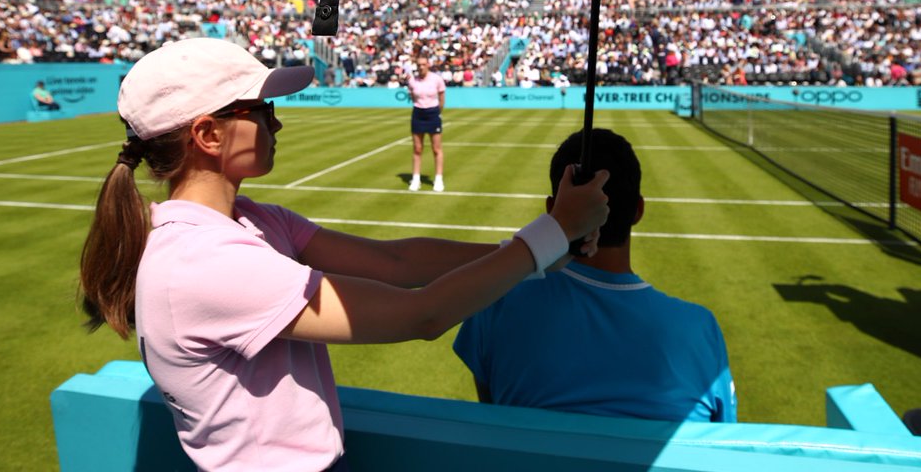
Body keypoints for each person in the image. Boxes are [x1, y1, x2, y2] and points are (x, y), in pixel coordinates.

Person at [78, 37, 609, 472]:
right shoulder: (205, 262)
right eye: (261, 110)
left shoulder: (255, 220)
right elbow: (419, 314)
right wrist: (550, 233)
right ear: (208, 134)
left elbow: (399, 263)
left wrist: (545, 253)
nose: (276, 123)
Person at [453, 128, 736, 424]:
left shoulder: (494, 299)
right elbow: (724, 442)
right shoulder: (700, 329)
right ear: (638, 210)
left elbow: (493, 412)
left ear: (553, 210)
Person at [406, 55, 446, 191]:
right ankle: (416, 179)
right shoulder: (412, 81)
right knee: (417, 148)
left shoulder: (437, 79)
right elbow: (412, 97)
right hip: (418, 113)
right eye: (419, 65)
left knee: (436, 148)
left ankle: (438, 179)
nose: (421, 67)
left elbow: (441, 99)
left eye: (423, 64)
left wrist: (437, 112)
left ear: (428, 65)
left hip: (433, 113)